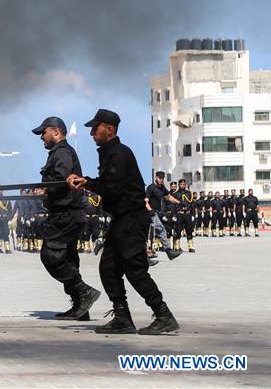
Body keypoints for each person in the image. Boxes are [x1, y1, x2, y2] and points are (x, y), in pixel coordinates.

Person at [67, 109, 178, 335]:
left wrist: (85, 183)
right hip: (121, 219)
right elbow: (110, 184)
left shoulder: (118, 154)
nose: (91, 133)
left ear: (109, 129)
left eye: (95, 128)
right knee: (108, 268)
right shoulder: (109, 152)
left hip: (131, 219)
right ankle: (122, 317)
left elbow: (112, 189)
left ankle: (164, 315)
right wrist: (86, 181)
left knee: (135, 270)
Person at [32, 116, 100, 321]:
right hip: (70, 213)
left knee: (51, 255)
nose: (41, 137)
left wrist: (43, 189)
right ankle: (81, 308)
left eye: (43, 133)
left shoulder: (61, 152)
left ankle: (84, 292)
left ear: (55, 131)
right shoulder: (62, 152)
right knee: (69, 258)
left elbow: (62, 180)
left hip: (65, 213)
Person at [144, 172, 182, 261]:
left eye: (162, 178)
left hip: (156, 213)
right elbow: (145, 201)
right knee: (155, 232)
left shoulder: (162, 187)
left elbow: (168, 197)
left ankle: (168, 253)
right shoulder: (151, 187)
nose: (161, 179)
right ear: (156, 177)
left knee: (156, 232)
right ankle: (168, 253)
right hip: (150, 214)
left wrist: (179, 202)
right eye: (160, 178)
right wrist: (150, 210)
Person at [172, 180, 195, 253]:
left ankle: (191, 246)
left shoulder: (189, 193)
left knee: (189, 230)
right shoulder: (175, 194)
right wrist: (174, 215)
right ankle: (177, 247)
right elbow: (173, 205)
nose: (182, 185)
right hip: (179, 214)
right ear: (178, 185)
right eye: (181, 184)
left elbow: (192, 204)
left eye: (184, 184)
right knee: (178, 231)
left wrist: (193, 214)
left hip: (187, 214)